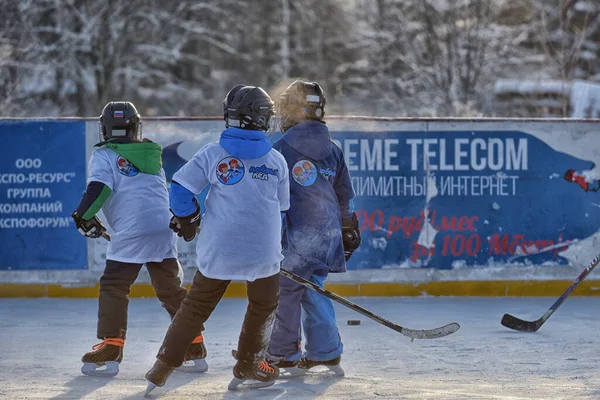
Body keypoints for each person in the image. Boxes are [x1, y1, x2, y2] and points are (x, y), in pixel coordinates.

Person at [144, 85, 290, 393]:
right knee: (264, 304)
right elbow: (282, 211)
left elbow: (181, 190)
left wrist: (188, 218)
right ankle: (250, 362)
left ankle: (164, 365)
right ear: (261, 120)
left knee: (195, 306)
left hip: (219, 249)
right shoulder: (276, 161)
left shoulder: (212, 153)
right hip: (263, 253)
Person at [72, 101, 206, 377]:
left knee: (114, 285)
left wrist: (82, 215)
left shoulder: (104, 155)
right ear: (136, 127)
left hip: (131, 231)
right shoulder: (151, 153)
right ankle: (193, 344)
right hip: (162, 226)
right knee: (169, 289)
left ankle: (111, 345)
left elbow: (99, 188)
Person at [267, 80, 361, 376]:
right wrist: (347, 228)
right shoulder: (333, 149)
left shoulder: (280, 148)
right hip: (326, 235)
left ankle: (283, 354)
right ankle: (326, 352)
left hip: (297, 235)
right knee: (314, 290)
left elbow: (273, 197)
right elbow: (343, 194)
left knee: (286, 292)